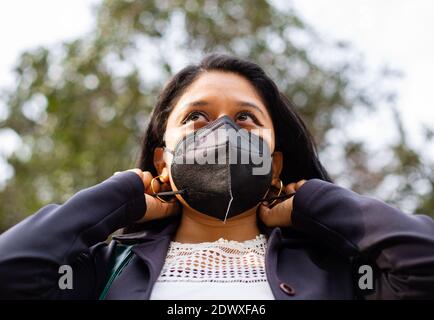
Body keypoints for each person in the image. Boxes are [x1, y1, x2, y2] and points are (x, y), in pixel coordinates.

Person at [0, 53, 433, 300]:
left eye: (245, 118)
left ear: (275, 165)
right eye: (196, 116)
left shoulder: (338, 275)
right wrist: (119, 198)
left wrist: (317, 204)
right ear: (163, 160)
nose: (223, 131)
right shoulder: (103, 273)